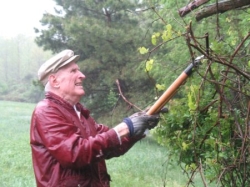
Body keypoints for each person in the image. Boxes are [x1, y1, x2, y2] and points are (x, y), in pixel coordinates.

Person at [30, 49, 160, 187]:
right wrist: (126, 127)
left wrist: (139, 128)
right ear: (54, 81)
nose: (82, 75)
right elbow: (75, 154)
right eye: (73, 71)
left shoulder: (79, 112)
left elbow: (112, 145)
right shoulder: (46, 111)